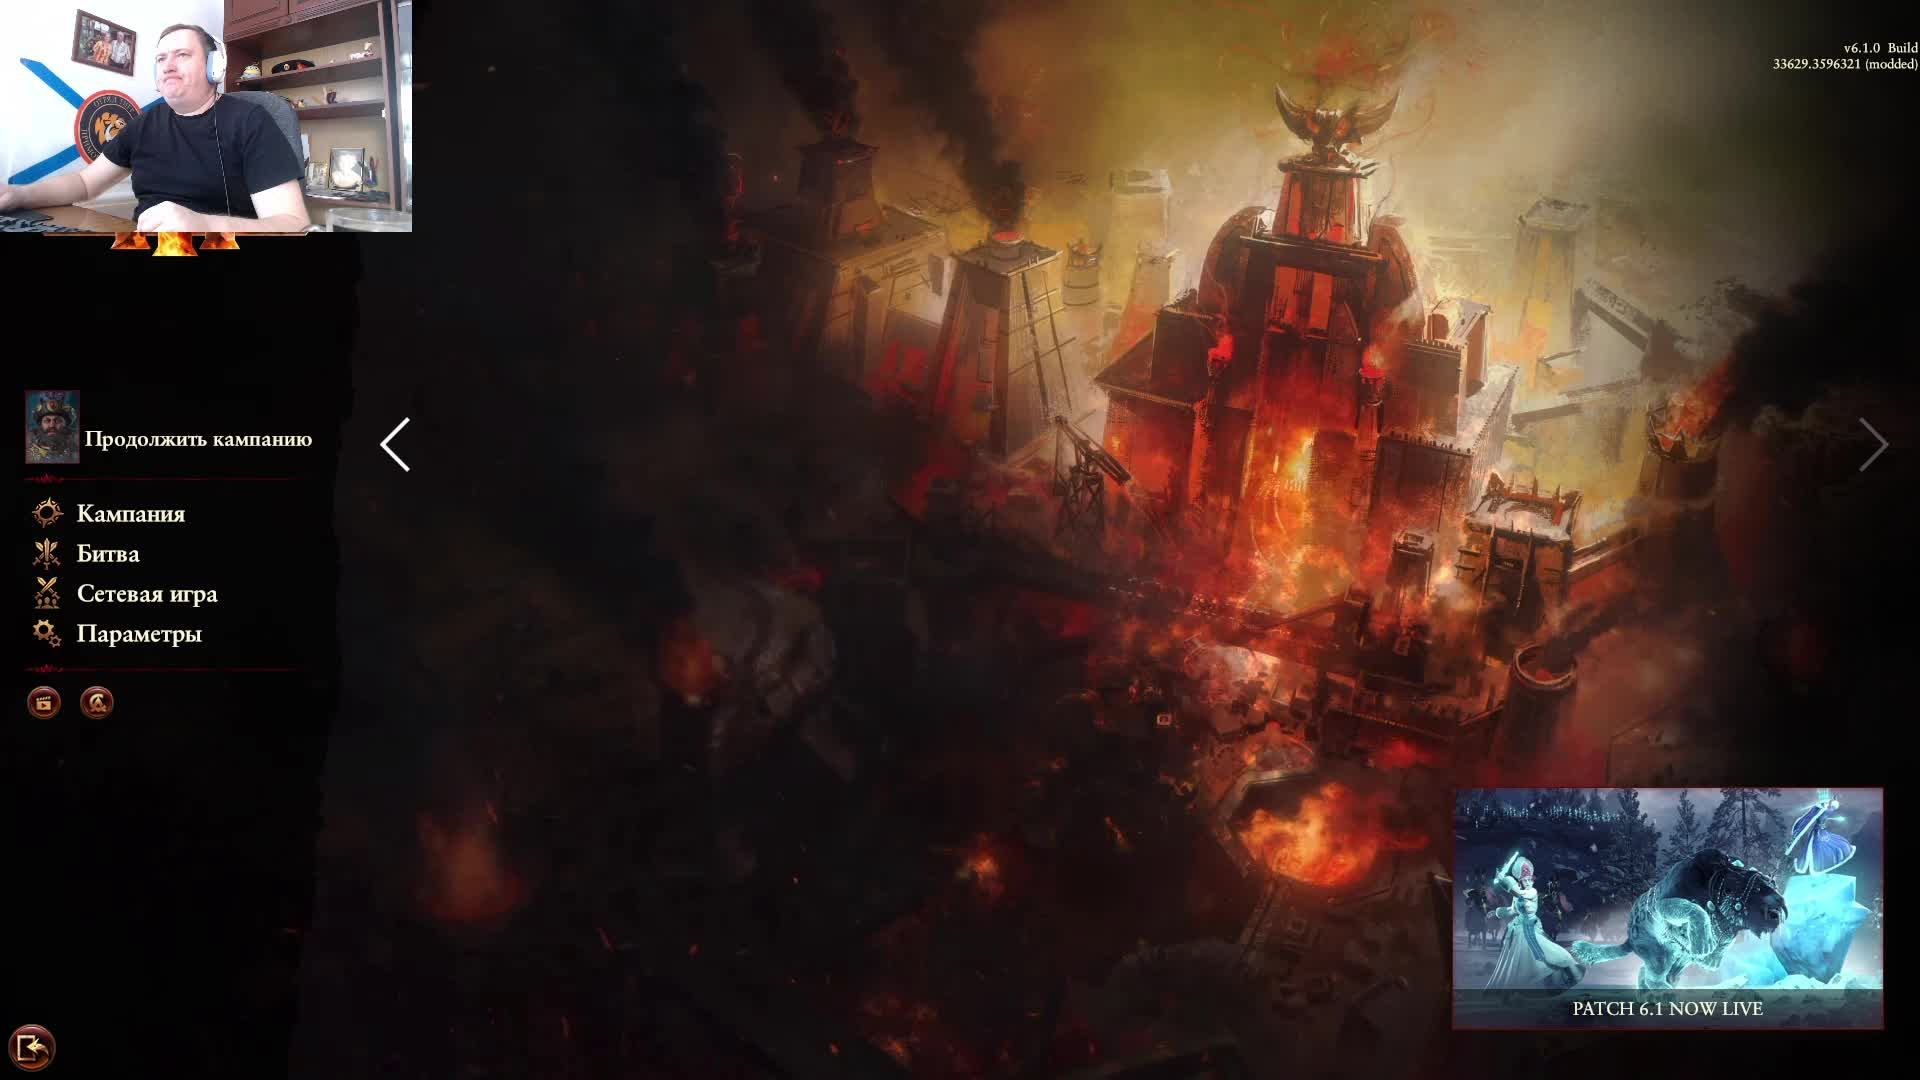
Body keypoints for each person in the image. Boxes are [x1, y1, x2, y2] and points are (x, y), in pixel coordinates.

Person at [0, 24, 309, 233]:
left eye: (182, 55)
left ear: (214, 67)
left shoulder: (252, 121)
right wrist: (18, 195)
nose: (168, 65)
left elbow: (293, 223)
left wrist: (204, 225)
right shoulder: (143, 124)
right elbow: (84, 184)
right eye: (161, 58)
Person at [1484, 851, 1585, 989]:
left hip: (1531, 928)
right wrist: (1496, 913)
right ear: (1520, 880)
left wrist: (1504, 880)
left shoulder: (1532, 892)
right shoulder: (1518, 893)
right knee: (1517, 962)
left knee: (1550, 952)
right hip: (1519, 930)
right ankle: (1514, 988)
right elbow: (1512, 910)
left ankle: (1571, 971)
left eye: (1529, 879)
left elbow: (1518, 892)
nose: (1528, 881)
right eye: (1524, 879)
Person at [1783, 789, 1856, 876]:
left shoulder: (1824, 810)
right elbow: (1810, 817)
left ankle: (1818, 865)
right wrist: (1829, 803)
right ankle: (1813, 866)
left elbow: (1820, 813)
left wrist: (1827, 804)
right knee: (1813, 847)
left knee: (1819, 847)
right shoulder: (1824, 809)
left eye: (1828, 803)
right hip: (1818, 831)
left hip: (1820, 831)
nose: (1827, 804)